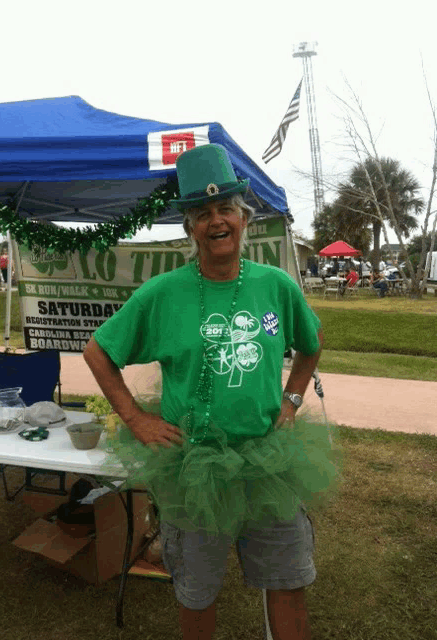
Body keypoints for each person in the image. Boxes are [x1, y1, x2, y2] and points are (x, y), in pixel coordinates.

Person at [84, 144, 337, 640]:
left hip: (269, 462)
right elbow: (98, 352)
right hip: (194, 466)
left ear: (244, 219)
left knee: (287, 582)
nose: (216, 221)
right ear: (190, 227)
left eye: (226, 210)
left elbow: (312, 343)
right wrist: (136, 419)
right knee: (197, 590)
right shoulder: (162, 294)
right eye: (203, 214)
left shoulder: (276, 285)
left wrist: (292, 400)